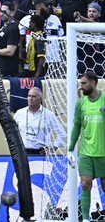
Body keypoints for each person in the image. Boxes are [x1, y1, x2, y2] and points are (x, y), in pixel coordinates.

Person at [69, 71, 105, 221]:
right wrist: (70, 149)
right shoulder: (81, 103)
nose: (81, 86)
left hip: (103, 153)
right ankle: (85, 218)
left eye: (84, 83)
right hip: (86, 152)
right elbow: (77, 126)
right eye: (80, 83)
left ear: (93, 83)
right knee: (85, 184)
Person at [13, 87, 66, 155]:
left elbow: (62, 133)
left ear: (40, 99)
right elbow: (10, 131)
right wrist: (15, 146)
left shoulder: (48, 114)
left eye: (34, 96)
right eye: (29, 96)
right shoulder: (20, 113)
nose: (30, 98)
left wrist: (54, 146)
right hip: (22, 152)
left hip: (41, 153)